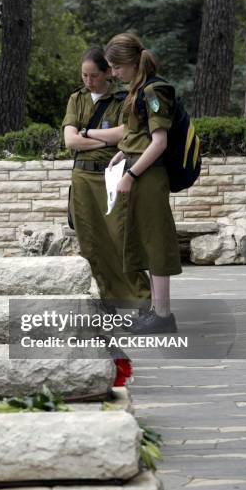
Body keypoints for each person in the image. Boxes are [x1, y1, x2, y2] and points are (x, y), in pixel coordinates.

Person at [89, 33, 182, 333]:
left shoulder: (154, 92)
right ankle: (156, 310)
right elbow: (139, 136)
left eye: (117, 67)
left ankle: (164, 315)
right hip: (141, 173)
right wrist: (122, 154)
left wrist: (131, 175)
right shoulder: (139, 89)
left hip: (149, 177)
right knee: (144, 240)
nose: (114, 73)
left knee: (155, 241)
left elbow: (159, 142)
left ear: (131, 63)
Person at [62, 46, 150, 307]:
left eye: (94, 76)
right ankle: (110, 301)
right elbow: (70, 141)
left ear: (107, 73)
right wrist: (103, 140)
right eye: (84, 76)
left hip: (110, 177)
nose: (89, 81)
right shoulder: (76, 99)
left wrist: (87, 135)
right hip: (81, 179)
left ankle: (142, 300)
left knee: (120, 239)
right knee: (90, 244)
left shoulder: (122, 99)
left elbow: (125, 134)